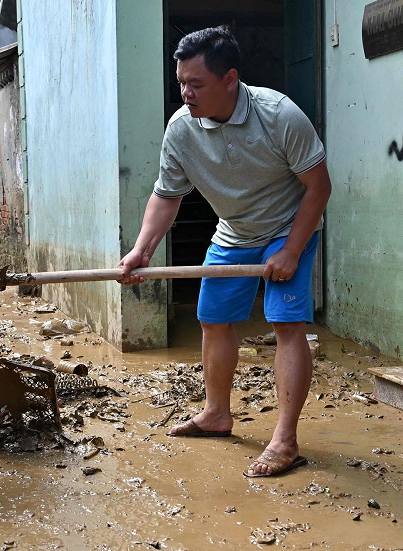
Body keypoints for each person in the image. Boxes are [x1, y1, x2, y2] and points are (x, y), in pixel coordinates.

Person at [118, 26, 332, 478]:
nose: (186, 93)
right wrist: (142, 250)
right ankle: (217, 413)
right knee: (212, 319)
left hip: (287, 226)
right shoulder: (181, 129)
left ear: (229, 79)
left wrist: (292, 250)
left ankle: (285, 439)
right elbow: (167, 195)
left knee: (285, 322)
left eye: (196, 84)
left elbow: (318, 188)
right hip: (234, 232)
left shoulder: (278, 115)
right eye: (182, 82)